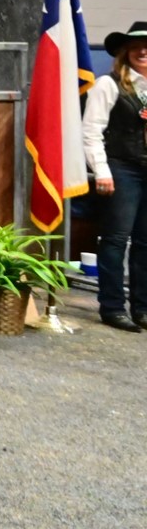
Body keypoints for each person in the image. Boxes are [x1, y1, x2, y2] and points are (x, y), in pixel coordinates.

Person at [84, 23, 147, 332]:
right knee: (116, 239)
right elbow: (91, 132)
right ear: (126, 52)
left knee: (146, 243)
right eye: (137, 47)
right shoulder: (108, 85)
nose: (143, 51)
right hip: (121, 167)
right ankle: (112, 307)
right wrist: (102, 171)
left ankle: (142, 308)